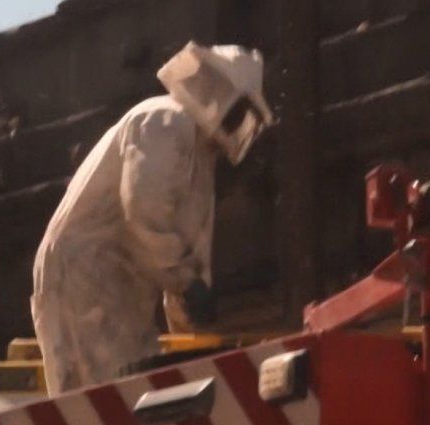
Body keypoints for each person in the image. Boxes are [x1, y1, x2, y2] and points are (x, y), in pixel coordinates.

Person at [30, 41, 274, 394]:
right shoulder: (163, 120)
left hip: (120, 283)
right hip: (87, 272)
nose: (239, 123)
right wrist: (186, 283)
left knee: (133, 387)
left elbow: (187, 244)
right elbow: (146, 211)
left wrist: (190, 314)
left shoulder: (198, 158)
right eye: (239, 110)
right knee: (106, 397)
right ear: (218, 93)